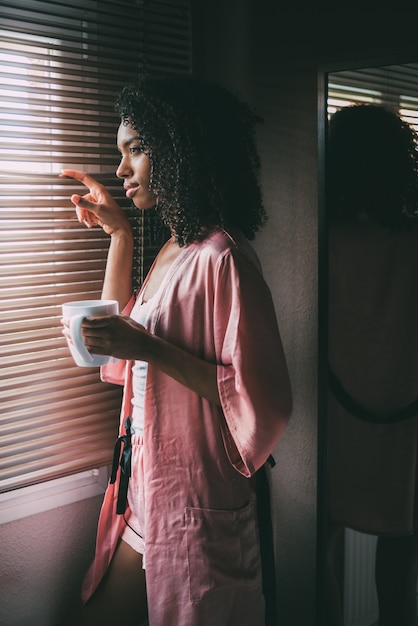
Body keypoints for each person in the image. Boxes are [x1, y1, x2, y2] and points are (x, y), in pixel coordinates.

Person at [60, 75, 292, 626]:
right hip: (142, 496)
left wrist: (148, 346)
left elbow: (262, 400)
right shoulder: (172, 246)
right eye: (121, 153)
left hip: (197, 505)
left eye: (135, 149)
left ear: (181, 146)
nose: (120, 170)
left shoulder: (223, 258)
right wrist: (119, 238)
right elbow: (118, 355)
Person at [326, 104, 418, 626]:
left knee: (318, 569)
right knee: (398, 586)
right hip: (406, 426)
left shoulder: (316, 238)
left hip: (333, 428)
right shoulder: (412, 240)